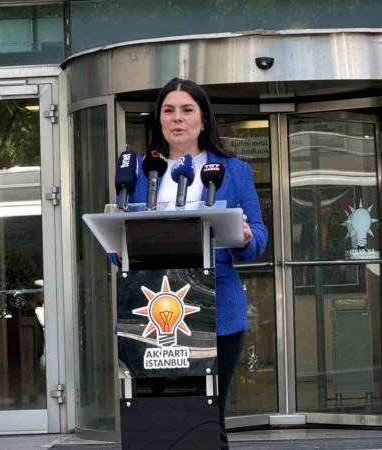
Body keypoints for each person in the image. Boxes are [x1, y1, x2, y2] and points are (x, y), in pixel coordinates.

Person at [112, 77, 268, 448]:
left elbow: (258, 236)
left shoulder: (235, 171)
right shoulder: (139, 173)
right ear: (159, 120)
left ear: (203, 119)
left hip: (217, 313)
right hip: (149, 315)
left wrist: (246, 237)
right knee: (157, 421)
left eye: (187, 110)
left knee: (206, 420)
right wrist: (116, 250)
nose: (177, 118)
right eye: (168, 110)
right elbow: (116, 232)